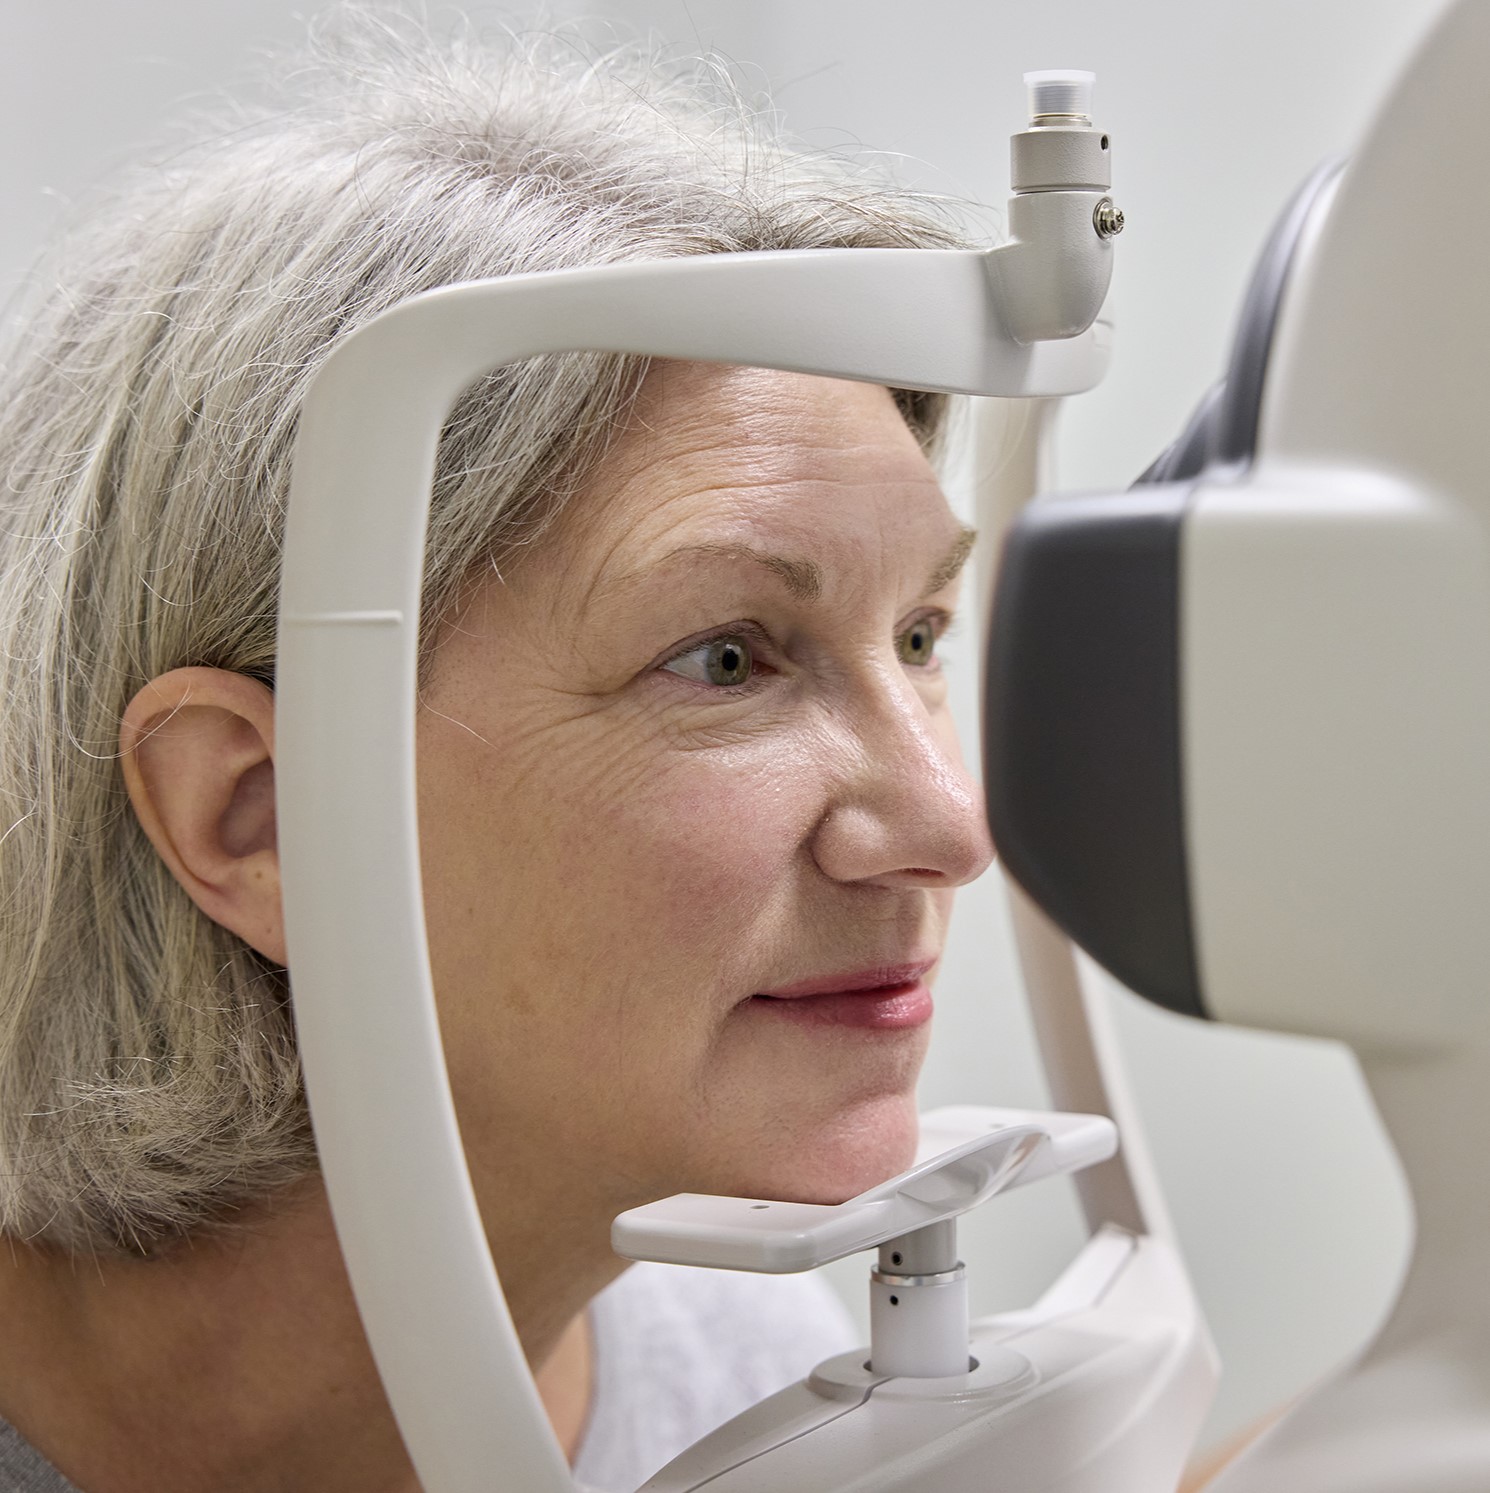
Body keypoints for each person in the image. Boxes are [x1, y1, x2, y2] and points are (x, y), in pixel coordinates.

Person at [0, 15, 994, 1492]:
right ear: (257, 816)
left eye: (918, 635)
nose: (947, 822)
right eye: (725, 656)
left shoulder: (768, 1385)